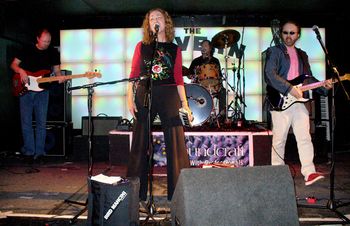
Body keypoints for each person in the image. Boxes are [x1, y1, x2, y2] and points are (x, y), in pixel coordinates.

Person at [126, 8, 192, 201]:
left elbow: (179, 80)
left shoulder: (174, 49)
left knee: (175, 142)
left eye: (159, 17)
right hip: (145, 91)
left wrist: (185, 105)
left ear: (166, 22)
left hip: (170, 92)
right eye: (151, 18)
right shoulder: (142, 46)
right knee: (139, 141)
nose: (155, 20)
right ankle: (135, 193)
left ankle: (178, 194)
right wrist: (129, 97)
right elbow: (133, 73)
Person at [264, 20, 332, 186]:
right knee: (279, 140)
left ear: (298, 35)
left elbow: (307, 78)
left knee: (304, 137)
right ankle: (276, 174)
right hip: (281, 99)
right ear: (281, 34)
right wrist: (289, 89)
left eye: (292, 33)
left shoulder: (302, 54)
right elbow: (269, 74)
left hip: (298, 101)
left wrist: (323, 86)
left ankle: (309, 172)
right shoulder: (275, 51)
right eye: (285, 32)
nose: (288, 36)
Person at [10, 28, 66, 163]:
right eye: (44, 41)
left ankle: (40, 153)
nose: (47, 44)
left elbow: (57, 70)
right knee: (26, 122)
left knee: (42, 122)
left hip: (43, 90)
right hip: (26, 90)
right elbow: (13, 65)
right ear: (37, 39)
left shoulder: (53, 52)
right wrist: (22, 71)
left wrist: (60, 77)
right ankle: (29, 151)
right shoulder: (26, 49)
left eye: (49, 41)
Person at [188, 40, 227, 121]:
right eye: (202, 46)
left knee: (223, 91)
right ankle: (195, 117)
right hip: (200, 86)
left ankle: (222, 117)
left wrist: (220, 84)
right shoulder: (196, 61)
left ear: (210, 48)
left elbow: (219, 75)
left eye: (205, 46)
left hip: (213, 86)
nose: (203, 48)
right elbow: (189, 74)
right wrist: (191, 75)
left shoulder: (215, 61)